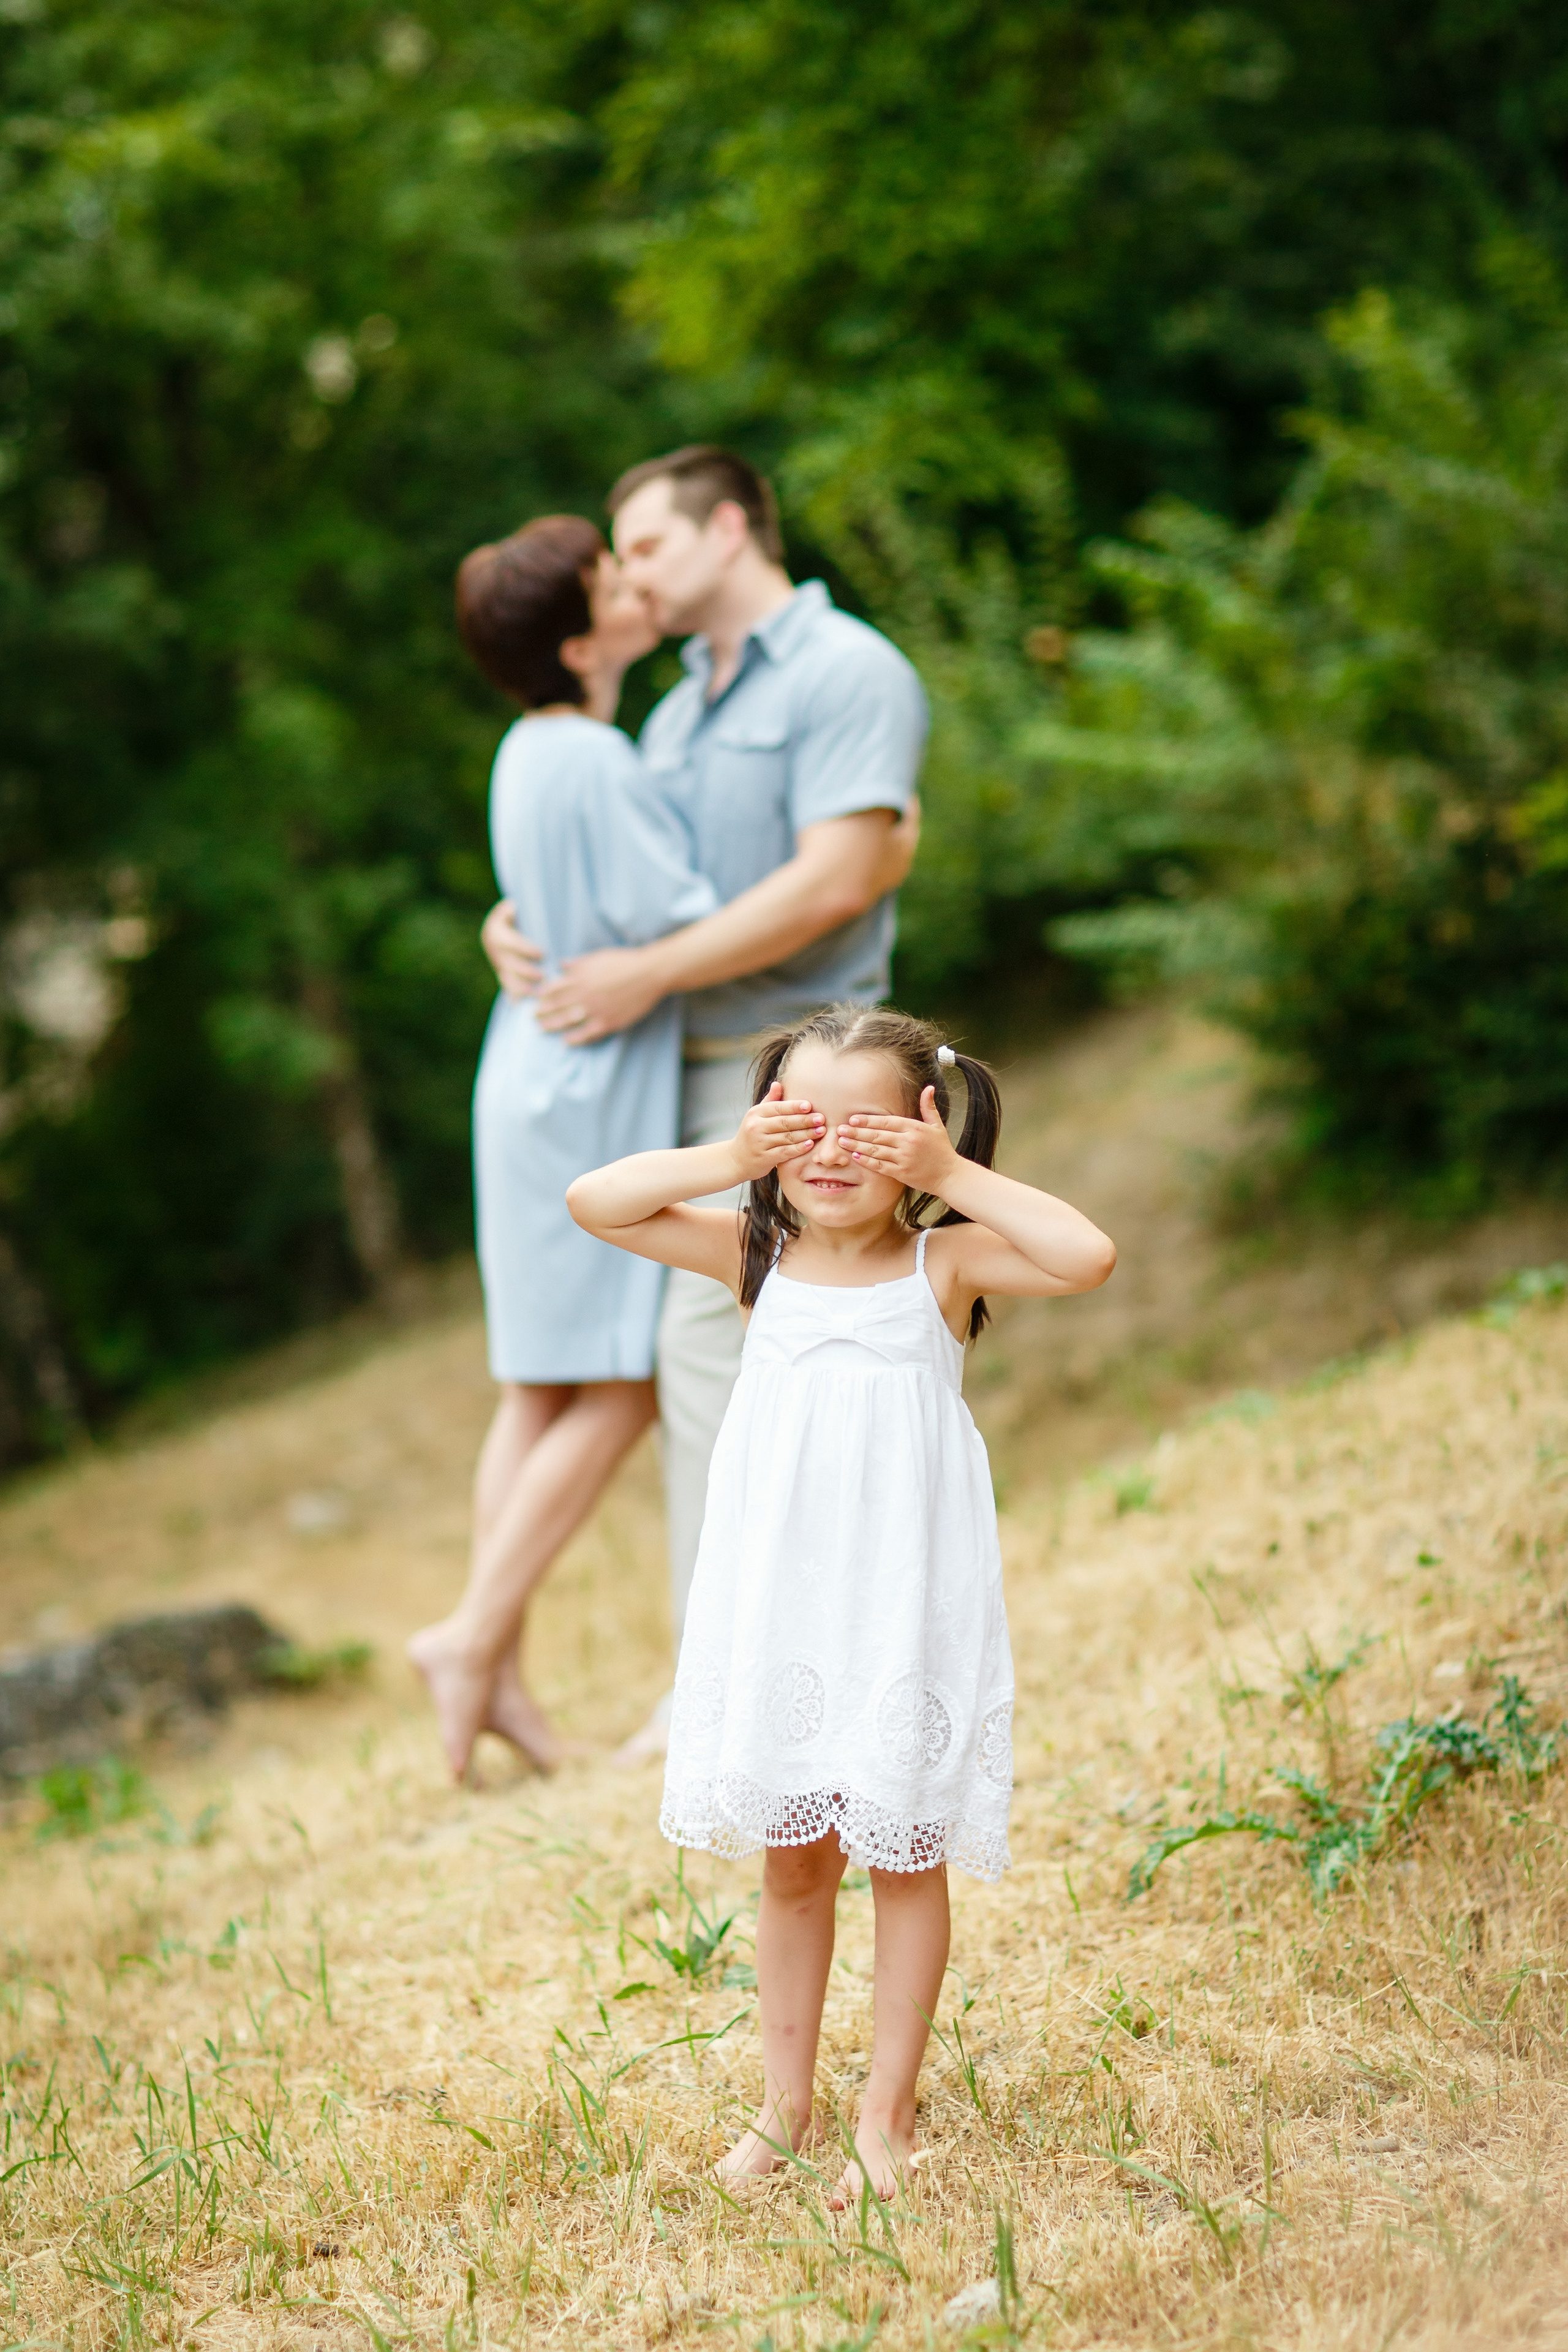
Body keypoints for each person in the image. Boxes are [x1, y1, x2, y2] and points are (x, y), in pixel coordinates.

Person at [566, 1005, 1117, 2201]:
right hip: (780, 1605)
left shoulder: (945, 1263)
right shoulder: (750, 1255)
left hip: (899, 1603)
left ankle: (886, 2117)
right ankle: (782, 2110)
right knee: (792, 1864)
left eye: (866, 1131)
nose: (829, 1154)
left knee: (903, 1856)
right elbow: (593, 1202)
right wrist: (731, 1159)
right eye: (803, 1125)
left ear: (921, 1130)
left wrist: (955, 1175)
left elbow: (1086, 1258)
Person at [483, 447, 929, 1760]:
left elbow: (833, 881)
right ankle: (724, 1679)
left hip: (816, 1081)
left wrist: (643, 972)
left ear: (728, 529)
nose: (627, 578)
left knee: (831, 1373)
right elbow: (625, 879)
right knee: (711, 1386)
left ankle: (776, 1678)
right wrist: (511, 927)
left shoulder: (850, 671)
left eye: (647, 548)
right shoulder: (670, 715)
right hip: (691, 1085)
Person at [407, 514, 720, 1781]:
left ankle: (497, 1685)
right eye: (610, 578)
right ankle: (473, 1638)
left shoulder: (530, 749)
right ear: (584, 637)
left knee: (537, 1387)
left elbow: (545, 900)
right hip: (587, 1089)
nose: (633, 585)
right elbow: (682, 916)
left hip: (528, 1075)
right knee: (623, 1383)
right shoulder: (592, 755)